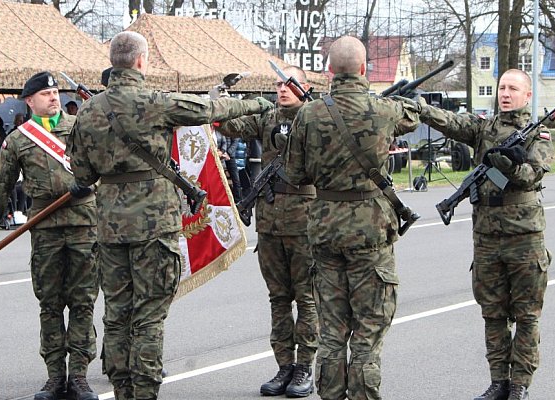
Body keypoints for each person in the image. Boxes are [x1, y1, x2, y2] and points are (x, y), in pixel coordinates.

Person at [66, 31, 273, 400]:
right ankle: (144, 391)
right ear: (142, 61)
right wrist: (256, 104)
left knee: (116, 311)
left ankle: (121, 387)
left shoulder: (89, 111)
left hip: (110, 226)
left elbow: (82, 176)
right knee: (149, 314)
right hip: (153, 225)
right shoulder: (155, 102)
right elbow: (211, 111)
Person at [285, 36, 420, 400]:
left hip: (326, 230)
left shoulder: (308, 114)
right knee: (368, 330)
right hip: (370, 233)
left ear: (329, 71)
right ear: (364, 69)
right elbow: (413, 114)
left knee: (332, 331)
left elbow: (294, 175)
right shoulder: (383, 110)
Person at [407, 69, 553, 400]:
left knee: (527, 316)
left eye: (513, 88)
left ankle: (519, 386)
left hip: (524, 239)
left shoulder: (537, 134)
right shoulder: (483, 128)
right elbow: (451, 122)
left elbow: (531, 176)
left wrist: (511, 167)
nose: (505, 93)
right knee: (492, 314)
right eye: (502, 87)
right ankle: (499, 381)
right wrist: (419, 107)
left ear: (527, 96)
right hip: (486, 237)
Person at [0, 71, 100, 400]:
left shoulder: (80, 129)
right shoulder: (19, 139)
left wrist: (91, 183)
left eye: (54, 92)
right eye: (45, 94)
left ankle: (79, 376)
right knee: (50, 304)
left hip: (84, 224)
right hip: (45, 227)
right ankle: (55, 376)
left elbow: (105, 168)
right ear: (30, 101)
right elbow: (1, 187)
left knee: (82, 303)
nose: (53, 97)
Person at [215, 66, 318, 397]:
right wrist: (220, 97)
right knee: (278, 298)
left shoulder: (317, 117)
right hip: (271, 222)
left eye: (290, 84)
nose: (283, 89)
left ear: (306, 87)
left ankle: (305, 367)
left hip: (305, 222)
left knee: (307, 297)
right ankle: (284, 365)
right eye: (279, 84)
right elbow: (229, 126)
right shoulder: (267, 117)